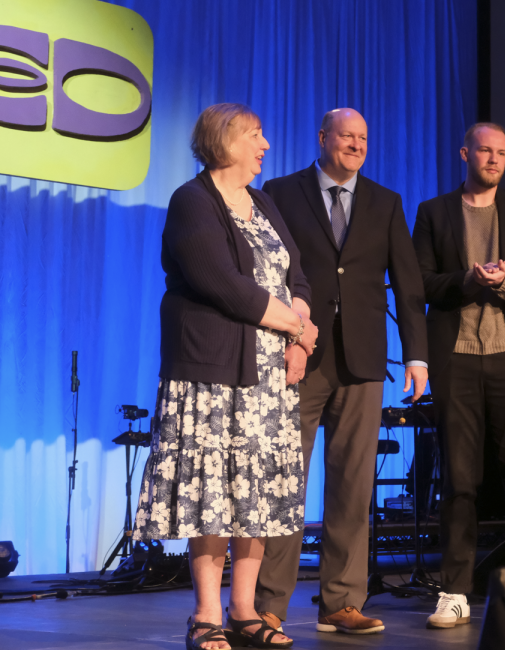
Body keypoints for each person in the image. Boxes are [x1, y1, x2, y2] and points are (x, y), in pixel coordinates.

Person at [134, 103, 318, 650]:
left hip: (268, 380)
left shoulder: (263, 202)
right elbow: (222, 283)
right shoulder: (192, 201)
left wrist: (300, 333)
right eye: (256, 135)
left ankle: (244, 609)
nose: (265, 144)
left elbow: (297, 275)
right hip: (212, 374)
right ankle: (206, 614)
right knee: (212, 490)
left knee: (255, 492)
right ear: (226, 140)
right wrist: (299, 330)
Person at [254, 108, 429, 635]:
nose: (355, 144)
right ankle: (268, 604)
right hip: (297, 357)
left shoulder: (385, 201)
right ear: (323, 137)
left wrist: (417, 355)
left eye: (363, 138)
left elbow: (409, 284)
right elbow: (268, 270)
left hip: (364, 360)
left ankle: (342, 601)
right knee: (285, 481)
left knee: (353, 486)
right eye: (346, 135)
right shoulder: (281, 192)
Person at [413, 122, 505, 629]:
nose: (494, 159)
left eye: (501, 152)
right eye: (484, 150)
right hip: (456, 356)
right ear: (465, 153)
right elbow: (421, 283)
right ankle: (454, 590)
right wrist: (468, 280)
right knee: (460, 480)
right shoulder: (433, 212)